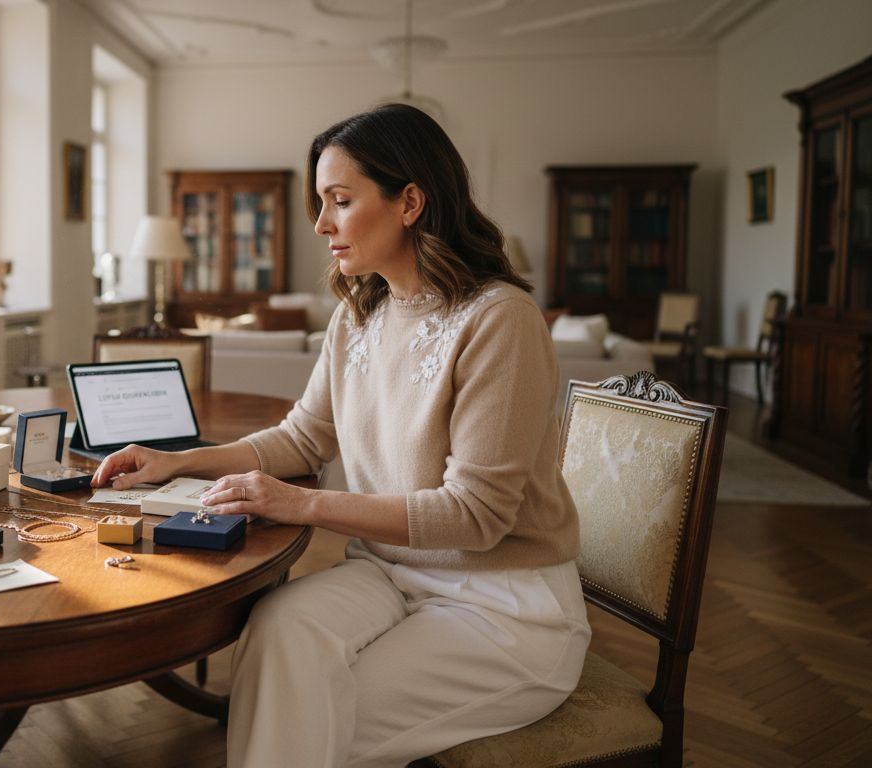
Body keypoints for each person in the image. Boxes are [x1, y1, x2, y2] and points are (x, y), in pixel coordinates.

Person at [91, 103, 589, 768]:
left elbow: (477, 517)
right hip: (390, 570)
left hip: (503, 603)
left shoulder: (501, 321)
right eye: (321, 202)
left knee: (312, 717)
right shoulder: (359, 314)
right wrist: (177, 460)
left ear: (409, 201)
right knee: (277, 629)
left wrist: (302, 504)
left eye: (340, 200)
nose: (321, 224)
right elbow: (302, 438)